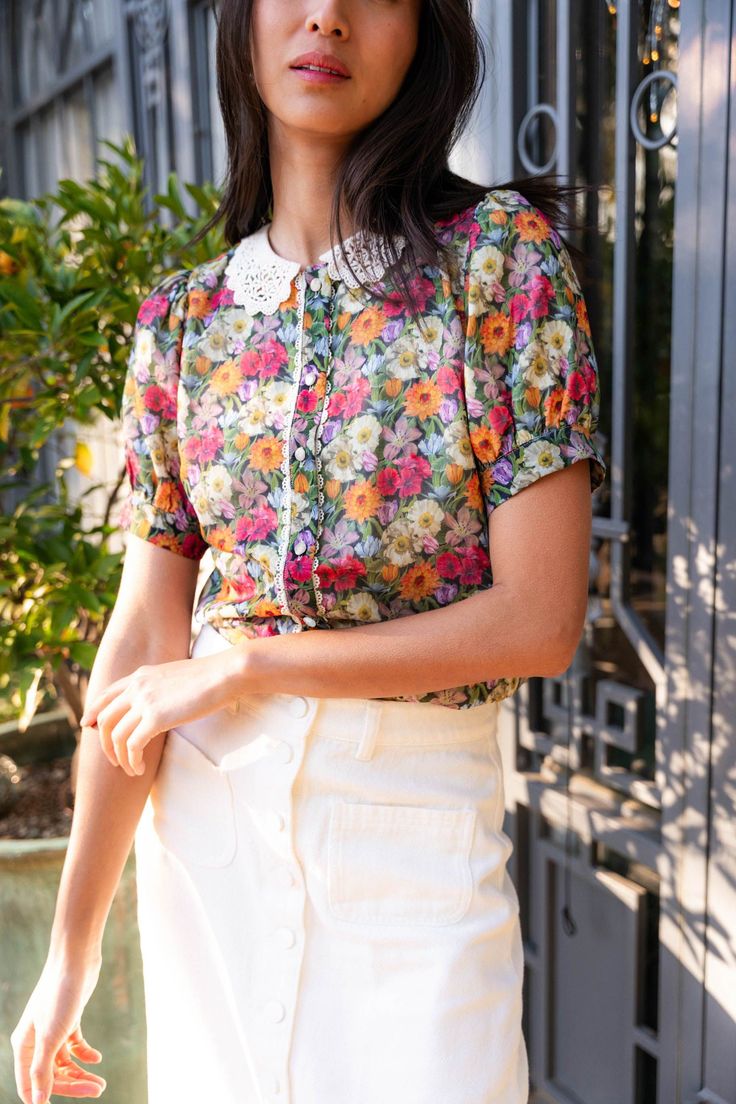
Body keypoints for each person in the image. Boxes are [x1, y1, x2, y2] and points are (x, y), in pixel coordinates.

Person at [11, 0, 606, 1102]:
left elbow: (539, 620)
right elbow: (142, 638)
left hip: (412, 851)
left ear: (425, 31)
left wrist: (247, 661)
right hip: (207, 853)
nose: (325, 15)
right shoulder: (181, 323)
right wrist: (71, 947)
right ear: (240, 27)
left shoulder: (500, 269)